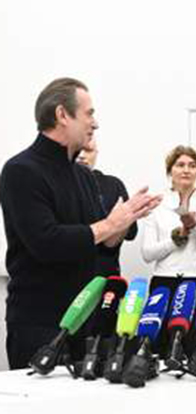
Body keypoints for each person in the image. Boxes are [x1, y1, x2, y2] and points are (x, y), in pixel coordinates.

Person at [0, 77, 160, 369]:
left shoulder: (83, 176)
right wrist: (110, 224)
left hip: (86, 320)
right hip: (40, 325)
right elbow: (47, 243)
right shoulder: (21, 170)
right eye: (89, 114)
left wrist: (126, 219)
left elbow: (103, 243)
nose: (95, 123)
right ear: (62, 115)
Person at [142, 145, 196, 355]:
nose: (186, 170)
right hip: (165, 283)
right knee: (161, 353)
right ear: (170, 171)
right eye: (180, 165)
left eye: (192, 165)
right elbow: (147, 253)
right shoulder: (156, 204)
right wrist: (175, 240)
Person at [76, 137, 138, 276]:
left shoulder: (112, 185)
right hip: (64, 276)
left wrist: (124, 220)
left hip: (105, 275)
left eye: (88, 150)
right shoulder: (53, 184)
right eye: (77, 150)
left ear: (96, 153)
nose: (81, 156)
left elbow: (131, 233)